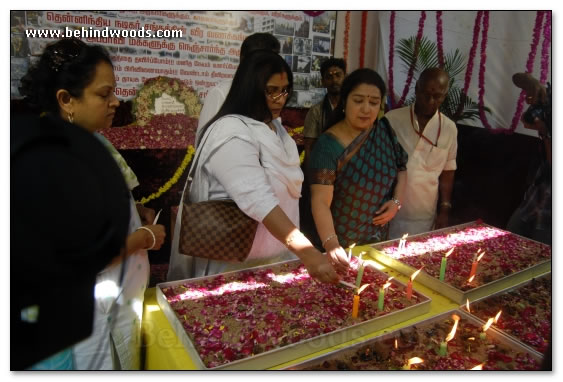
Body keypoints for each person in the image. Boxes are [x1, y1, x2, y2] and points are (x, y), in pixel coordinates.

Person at [16, 38, 166, 370]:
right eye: (103, 94)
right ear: (66, 100)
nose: (115, 102)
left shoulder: (90, 143)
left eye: (113, 92)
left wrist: (133, 211)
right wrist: (143, 238)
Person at [168, 50, 342, 284]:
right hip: (232, 267)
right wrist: (308, 252)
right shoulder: (230, 131)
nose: (280, 98)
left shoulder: (277, 130)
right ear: (250, 88)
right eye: (271, 90)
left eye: (285, 90)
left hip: (278, 259)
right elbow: (257, 199)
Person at [309, 68, 408, 266]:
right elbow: (320, 201)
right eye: (358, 100)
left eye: (373, 102)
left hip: (378, 242)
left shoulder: (383, 131)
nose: (366, 109)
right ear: (344, 101)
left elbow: (402, 168)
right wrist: (332, 244)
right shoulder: (328, 145)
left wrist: (396, 202)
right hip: (340, 244)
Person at [384, 67, 458, 238]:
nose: (430, 101)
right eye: (426, 94)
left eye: (437, 96)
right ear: (416, 89)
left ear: (444, 96)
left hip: (425, 214)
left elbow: (448, 171)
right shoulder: (392, 119)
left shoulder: (449, 128)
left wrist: (445, 208)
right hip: (390, 211)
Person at [195, 33, 281, 144]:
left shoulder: (271, 95)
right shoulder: (221, 93)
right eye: (262, 62)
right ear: (243, 60)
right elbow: (203, 142)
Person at [506, 73, 551, 245]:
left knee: (542, 254)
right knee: (511, 236)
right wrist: (535, 86)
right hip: (538, 193)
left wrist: (546, 132)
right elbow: (527, 120)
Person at [303, 57, 346, 162]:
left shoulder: (352, 108)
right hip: (322, 163)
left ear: (345, 77)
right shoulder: (315, 111)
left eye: (338, 75)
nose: (334, 80)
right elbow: (309, 148)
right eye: (329, 77)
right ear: (323, 82)